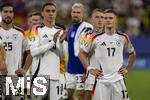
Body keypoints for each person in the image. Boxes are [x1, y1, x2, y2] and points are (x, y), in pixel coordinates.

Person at [78, 9, 136, 100]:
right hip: (101, 81)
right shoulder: (94, 37)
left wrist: (127, 68)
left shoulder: (123, 37)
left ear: (116, 20)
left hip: (118, 80)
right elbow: (81, 53)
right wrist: (90, 69)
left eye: (110, 18)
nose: (108, 20)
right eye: (105, 18)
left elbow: (132, 53)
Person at [26, 2, 66, 100]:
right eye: (48, 11)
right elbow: (33, 52)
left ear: (56, 13)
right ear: (42, 13)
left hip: (56, 76)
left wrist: (60, 44)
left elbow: (62, 56)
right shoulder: (36, 29)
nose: (51, 13)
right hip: (40, 76)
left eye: (53, 11)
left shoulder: (60, 31)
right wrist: (52, 43)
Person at [0, 2, 31, 99]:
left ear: (13, 14)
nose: (8, 14)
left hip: (15, 77)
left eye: (10, 12)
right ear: (1, 13)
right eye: (5, 12)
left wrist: (24, 69)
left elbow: (30, 53)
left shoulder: (20, 33)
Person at [66, 3, 93, 100]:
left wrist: (87, 69)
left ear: (82, 14)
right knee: (67, 96)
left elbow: (87, 49)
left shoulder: (87, 27)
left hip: (81, 69)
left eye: (78, 12)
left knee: (81, 95)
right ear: (71, 13)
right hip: (70, 69)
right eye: (74, 12)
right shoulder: (70, 29)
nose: (76, 14)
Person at [83, 8, 104, 100]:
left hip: (107, 75)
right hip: (92, 74)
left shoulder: (111, 35)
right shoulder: (86, 35)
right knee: (87, 97)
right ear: (91, 19)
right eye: (97, 17)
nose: (100, 20)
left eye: (102, 17)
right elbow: (83, 55)